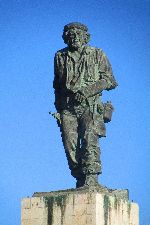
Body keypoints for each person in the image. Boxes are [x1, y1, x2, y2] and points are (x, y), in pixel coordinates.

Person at [53, 22, 118, 187]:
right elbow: (57, 85)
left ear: (85, 37)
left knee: (89, 138)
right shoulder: (60, 56)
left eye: (77, 34)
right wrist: (59, 109)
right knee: (70, 145)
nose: (74, 37)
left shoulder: (97, 54)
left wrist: (88, 91)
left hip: (90, 104)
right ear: (65, 38)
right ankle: (79, 177)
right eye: (70, 35)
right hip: (67, 107)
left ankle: (92, 177)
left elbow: (110, 80)